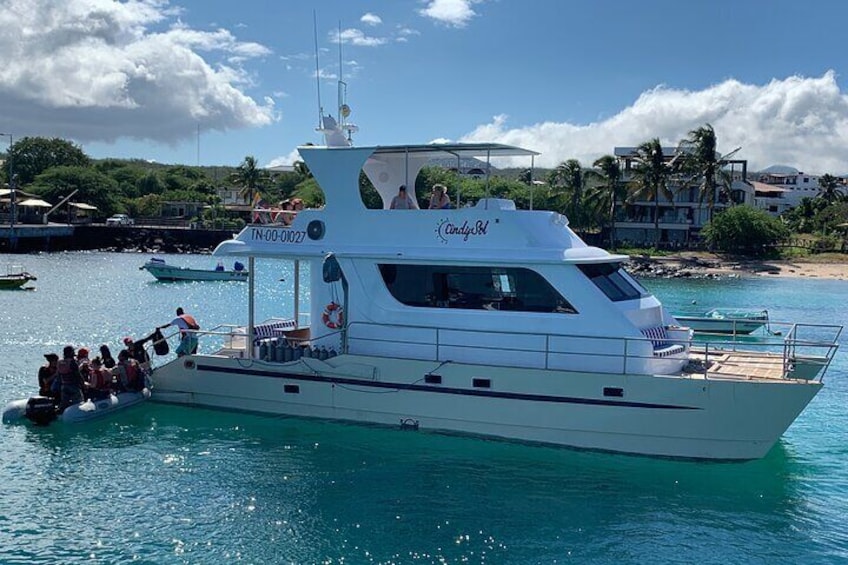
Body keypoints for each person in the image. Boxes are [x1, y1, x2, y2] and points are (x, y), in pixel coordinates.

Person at [57, 345, 85, 412]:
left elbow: (58, 375)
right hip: (73, 386)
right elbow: (77, 374)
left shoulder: (60, 362)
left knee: (64, 402)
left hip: (64, 385)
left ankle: (60, 412)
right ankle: (77, 413)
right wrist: (82, 382)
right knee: (79, 401)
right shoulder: (72, 362)